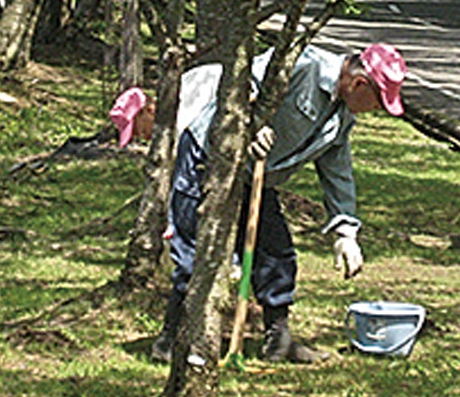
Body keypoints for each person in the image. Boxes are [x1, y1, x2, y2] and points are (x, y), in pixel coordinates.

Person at [152, 43, 407, 364]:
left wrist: (346, 231)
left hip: (257, 174)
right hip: (210, 154)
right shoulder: (302, 61)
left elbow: (338, 173)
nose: (376, 110)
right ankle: (172, 339)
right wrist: (249, 126)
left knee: (275, 250)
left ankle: (278, 339)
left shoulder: (341, 118)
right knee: (195, 250)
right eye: (378, 102)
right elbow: (242, 85)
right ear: (359, 84)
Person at [108, 63, 223, 148]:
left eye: (142, 131)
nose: (147, 138)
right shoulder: (182, 85)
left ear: (149, 110)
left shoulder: (182, 122)